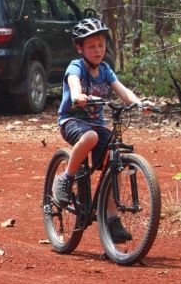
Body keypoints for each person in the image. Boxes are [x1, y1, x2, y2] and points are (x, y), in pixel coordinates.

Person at [51, 18, 150, 242]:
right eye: (91, 46)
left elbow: (123, 92)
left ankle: (111, 218)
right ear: (80, 48)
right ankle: (66, 178)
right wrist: (78, 96)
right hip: (72, 121)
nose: (98, 50)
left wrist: (139, 103)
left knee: (115, 161)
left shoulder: (105, 70)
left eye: (101, 45)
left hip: (96, 123)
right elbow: (74, 84)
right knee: (91, 136)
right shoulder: (76, 67)